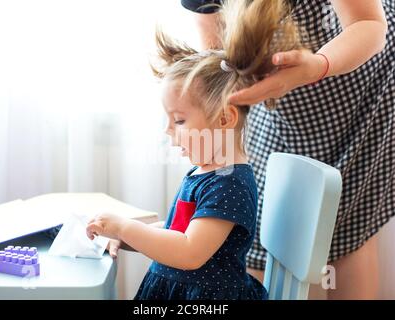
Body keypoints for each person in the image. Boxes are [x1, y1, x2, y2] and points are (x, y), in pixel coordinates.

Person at [85, 0, 308, 300]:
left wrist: (126, 229)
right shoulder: (205, 173)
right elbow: (177, 232)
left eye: (178, 120)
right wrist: (126, 237)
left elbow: (189, 252)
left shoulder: (230, 183)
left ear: (225, 118)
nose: (168, 130)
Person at [181, 0, 392, 299]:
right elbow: (219, 61)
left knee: (347, 217)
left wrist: (318, 65)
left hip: (360, 66)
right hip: (283, 93)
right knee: (260, 224)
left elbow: (368, 24)